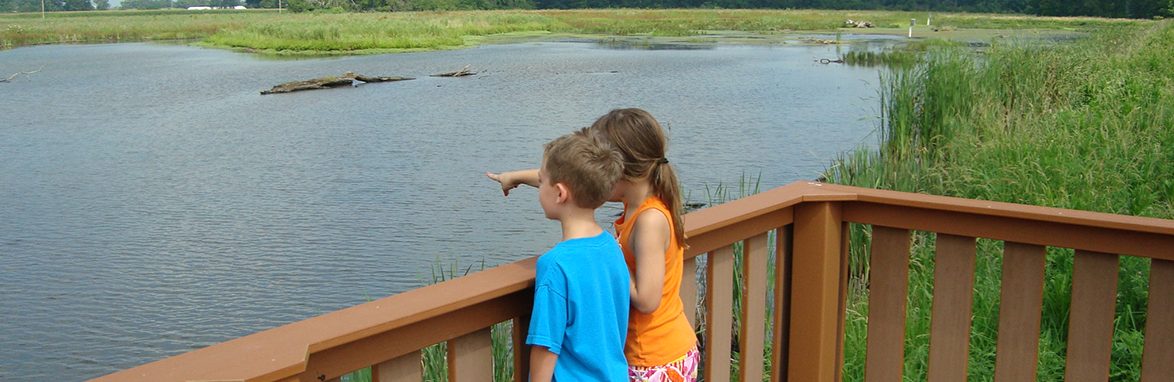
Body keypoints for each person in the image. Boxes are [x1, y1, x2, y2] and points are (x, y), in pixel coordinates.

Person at [490, 108, 700, 382]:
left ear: (618, 170)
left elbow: (648, 300)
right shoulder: (639, 199)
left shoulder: (649, 220)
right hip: (660, 352)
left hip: (653, 358)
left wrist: (607, 260)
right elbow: (570, 181)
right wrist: (515, 176)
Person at [525, 130, 631, 382]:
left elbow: (545, 346)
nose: (539, 188)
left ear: (560, 193)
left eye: (541, 182)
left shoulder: (555, 265)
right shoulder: (611, 247)